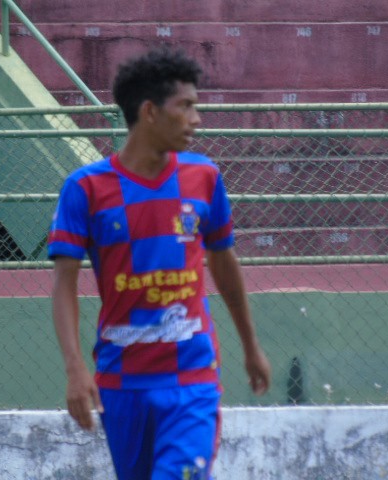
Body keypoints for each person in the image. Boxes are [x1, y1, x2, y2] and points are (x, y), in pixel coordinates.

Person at [48, 47, 271, 480]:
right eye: (185, 106)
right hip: (120, 381)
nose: (196, 119)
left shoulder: (204, 177)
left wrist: (250, 345)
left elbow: (224, 263)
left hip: (193, 377)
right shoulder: (85, 189)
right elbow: (63, 285)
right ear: (149, 111)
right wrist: (75, 367)